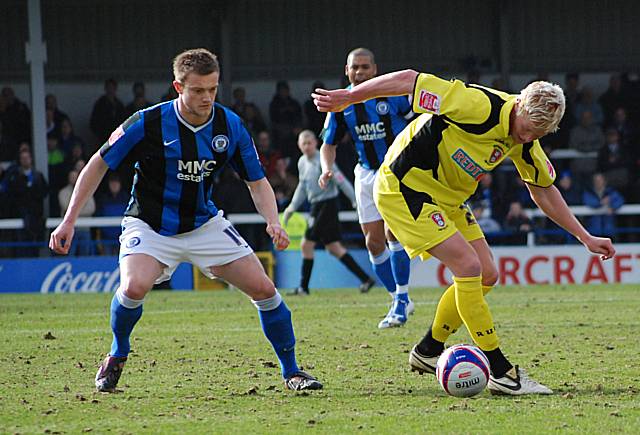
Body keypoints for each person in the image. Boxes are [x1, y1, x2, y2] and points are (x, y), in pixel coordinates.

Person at [313, 68, 615, 395]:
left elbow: (543, 190)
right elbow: (408, 80)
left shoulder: (526, 140)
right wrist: (349, 97)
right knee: (468, 267)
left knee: (487, 274)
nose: (526, 139)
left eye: (537, 135)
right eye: (526, 130)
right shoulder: (476, 104)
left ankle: (429, 351)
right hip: (404, 187)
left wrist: (585, 237)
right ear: (518, 107)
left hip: (448, 198)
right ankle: (501, 370)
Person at [49, 48, 322, 393]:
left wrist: (274, 220)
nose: (207, 97)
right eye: (198, 90)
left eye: (212, 89)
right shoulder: (146, 122)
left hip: (203, 224)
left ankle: (292, 371)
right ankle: (118, 352)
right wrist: (68, 220)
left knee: (266, 290)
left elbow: (256, 181)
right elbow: (98, 163)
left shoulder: (230, 125)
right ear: (178, 87)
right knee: (133, 287)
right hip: (149, 225)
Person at [318, 47, 414, 329]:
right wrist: (326, 168)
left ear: (375, 70)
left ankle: (401, 301)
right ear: (346, 71)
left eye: (365, 67)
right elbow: (329, 144)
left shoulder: (393, 95)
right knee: (373, 242)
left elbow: (418, 122)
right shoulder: (341, 104)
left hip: (396, 171)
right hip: (366, 173)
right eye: (354, 68)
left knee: (391, 232)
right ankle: (397, 297)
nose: (359, 73)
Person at [283, 130, 375, 295]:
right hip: (316, 205)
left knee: (306, 244)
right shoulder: (302, 162)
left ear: (315, 143)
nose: (306, 146)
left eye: (309, 143)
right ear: (299, 145)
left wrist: (355, 200)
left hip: (327, 205)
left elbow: (340, 180)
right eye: (303, 143)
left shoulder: (323, 160)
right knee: (334, 248)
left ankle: (303, 287)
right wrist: (292, 207)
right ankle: (366, 279)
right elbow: (302, 187)